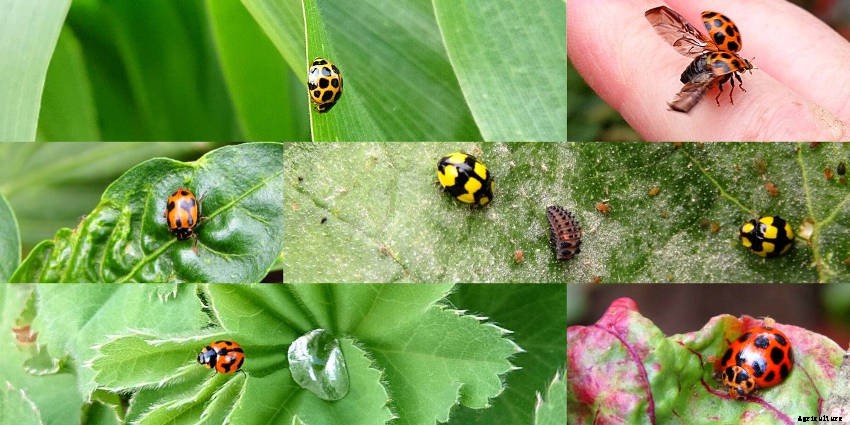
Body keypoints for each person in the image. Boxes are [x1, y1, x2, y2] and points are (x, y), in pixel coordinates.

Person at [567, 1, 850, 141]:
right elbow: (727, 81)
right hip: (700, 65)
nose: (741, 73)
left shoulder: (724, 58)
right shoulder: (727, 67)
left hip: (702, 59)